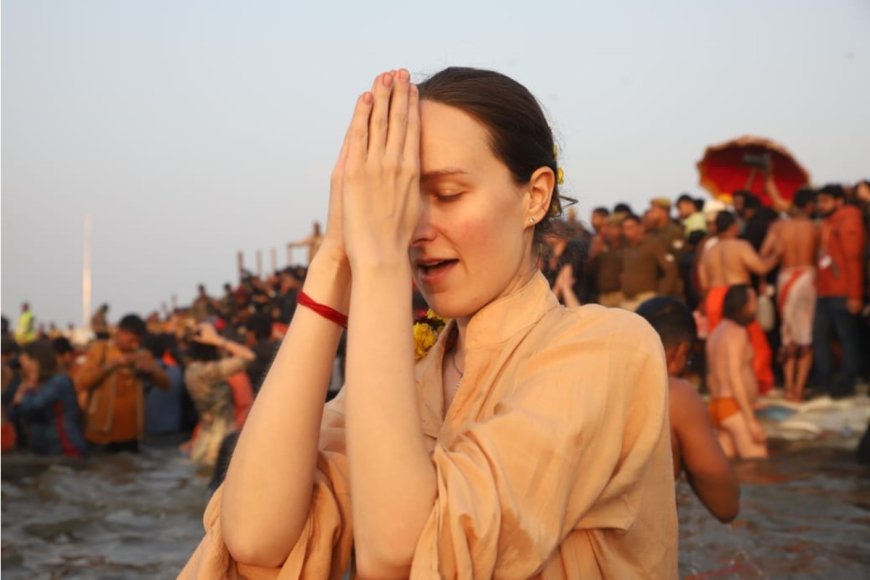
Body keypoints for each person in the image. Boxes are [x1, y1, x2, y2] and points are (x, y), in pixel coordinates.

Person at [182, 68, 677, 578]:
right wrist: (335, 258)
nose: (412, 230)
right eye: (401, 200)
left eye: (447, 194)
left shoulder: (608, 347)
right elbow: (254, 537)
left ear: (535, 196)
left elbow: (402, 550)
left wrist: (377, 263)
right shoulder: (410, 372)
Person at [637, 297, 739, 523]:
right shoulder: (675, 394)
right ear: (680, 352)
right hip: (630, 553)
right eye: (689, 359)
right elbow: (726, 506)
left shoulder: (591, 380)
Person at [698, 211, 778, 390]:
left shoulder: (709, 251)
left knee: (717, 346)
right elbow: (761, 268)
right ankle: (755, 385)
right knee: (755, 346)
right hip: (738, 297)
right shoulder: (740, 246)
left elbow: (703, 281)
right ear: (734, 226)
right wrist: (777, 255)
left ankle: (721, 387)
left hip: (714, 297)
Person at [74, 314, 169, 452]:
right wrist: (112, 365)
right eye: (131, 340)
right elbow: (81, 383)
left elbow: (165, 384)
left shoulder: (143, 355)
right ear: (120, 333)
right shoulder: (101, 351)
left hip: (131, 436)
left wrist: (151, 371)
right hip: (100, 433)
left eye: (137, 341)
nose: (134, 344)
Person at [760, 188, 820, 401]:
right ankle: (799, 389)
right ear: (810, 206)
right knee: (805, 336)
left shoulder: (778, 227)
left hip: (786, 279)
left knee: (789, 335)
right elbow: (821, 257)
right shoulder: (815, 227)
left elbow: (764, 255)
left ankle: (788, 387)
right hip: (808, 278)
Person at [813, 184, 866, 398]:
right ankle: (825, 381)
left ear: (839, 201)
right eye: (820, 201)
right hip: (825, 289)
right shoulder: (828, 222)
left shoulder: (849, 220)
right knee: (820, 335)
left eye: (825, 201)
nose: (820, 205)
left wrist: (854, 295)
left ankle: (847, 381)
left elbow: (854, 260)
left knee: (847, 338)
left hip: (842, 290)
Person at [706, 285, 768, 459]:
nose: (756, 306)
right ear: (742, 305)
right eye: (753, 301)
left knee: (731, 469)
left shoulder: (716, 333)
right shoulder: (737, 332)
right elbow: (735, 377)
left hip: (719, 406)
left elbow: (711, 377)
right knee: (757, 463)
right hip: (733, 407)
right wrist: (750, 420)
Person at [184, 322, 255, 468]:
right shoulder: (211, 371)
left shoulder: (190, 371)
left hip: (202, 441)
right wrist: (217, 339)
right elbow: (249, 357)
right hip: (223, 438)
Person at [8, 340, 87, 457]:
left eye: (25, 363)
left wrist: (28, 387)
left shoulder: (59, 382)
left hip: (65, 448)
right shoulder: (31, 385)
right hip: (44, 451)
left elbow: (33, 407)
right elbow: (13, 414)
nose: (23, 369)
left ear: (37, 362)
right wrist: (21, 391)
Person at [618, 213, 678, 311]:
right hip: (627, 301)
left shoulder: (653, 244)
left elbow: (670, 270)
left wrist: (660, 296)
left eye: (630, 228)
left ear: (640, 227)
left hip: (646, 298)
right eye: (624, 228)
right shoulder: (625, 248)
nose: (626, 232)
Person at [587, 214, 625, 307]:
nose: (608, 231)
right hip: (603, 296)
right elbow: (589, 271)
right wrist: (593, 254)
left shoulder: (626, 246)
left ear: (620, 229)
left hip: (621, 295)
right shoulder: (601, 246)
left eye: (612, 228)